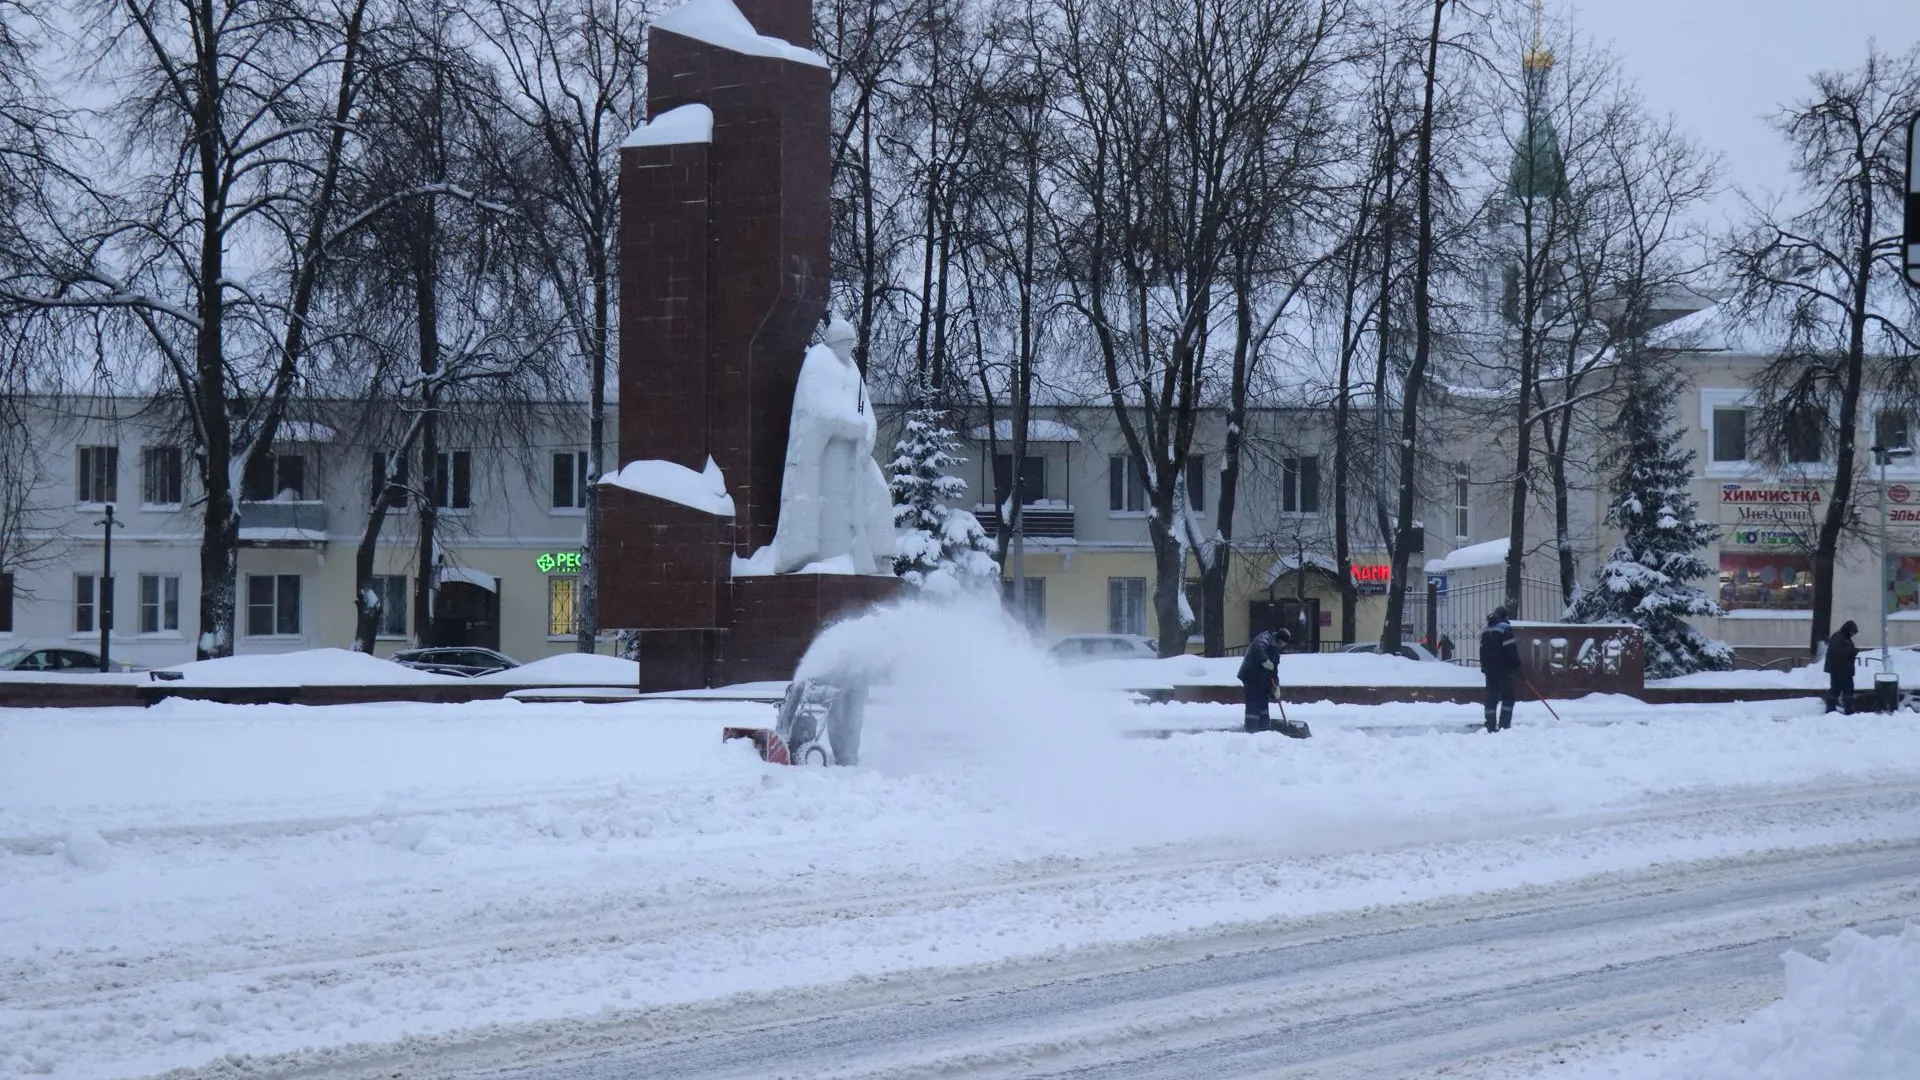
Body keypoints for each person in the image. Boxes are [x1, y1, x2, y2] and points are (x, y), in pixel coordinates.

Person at [1479, 607, 1520, 732]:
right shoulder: (1505, 628)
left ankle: (1490, 725)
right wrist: (1516, 664)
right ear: (1504, 617)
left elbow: (1482, 650)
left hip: (1489, 668)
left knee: (1491, 696)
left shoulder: (1486, 629)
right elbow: (1510, 648)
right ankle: (1504, 725)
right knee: (1508, 696)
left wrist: (1484, 666)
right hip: (1503, 667)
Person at [1824, 620, 1860, 715]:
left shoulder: (1842, 637)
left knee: (1838, 688)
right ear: (1847, 629)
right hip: (1840, 669)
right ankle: (1845, 708)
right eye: (1852, 631)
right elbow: (1840, 650)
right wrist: (1853, 651)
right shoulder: (1839, 637)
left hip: (1841, 669)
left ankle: (1833, 708)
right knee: (1844, 689)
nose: (1852, 634)